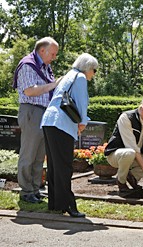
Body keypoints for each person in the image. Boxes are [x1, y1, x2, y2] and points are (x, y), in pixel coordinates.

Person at [41, 53, 99, 217]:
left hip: (49, 121)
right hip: (61, 124)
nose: (94, 74)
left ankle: (55, 204)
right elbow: (81, 103)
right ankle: (68, 205)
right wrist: (83, 123)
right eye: (94, 70)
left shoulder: (68, 75)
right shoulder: (79, 77)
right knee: (65, 167)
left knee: (54, 166)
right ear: (88, 68)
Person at [13, 37, 61, 204]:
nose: (54, 57)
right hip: (32, 112)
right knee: (29, 154)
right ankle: (26, 191)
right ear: (42, 51)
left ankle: (35, 189)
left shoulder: (45, 67)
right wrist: (53, 85)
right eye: (53, 54)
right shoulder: (28, 65)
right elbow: (29, 91)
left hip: (44, 113)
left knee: (39, 155)